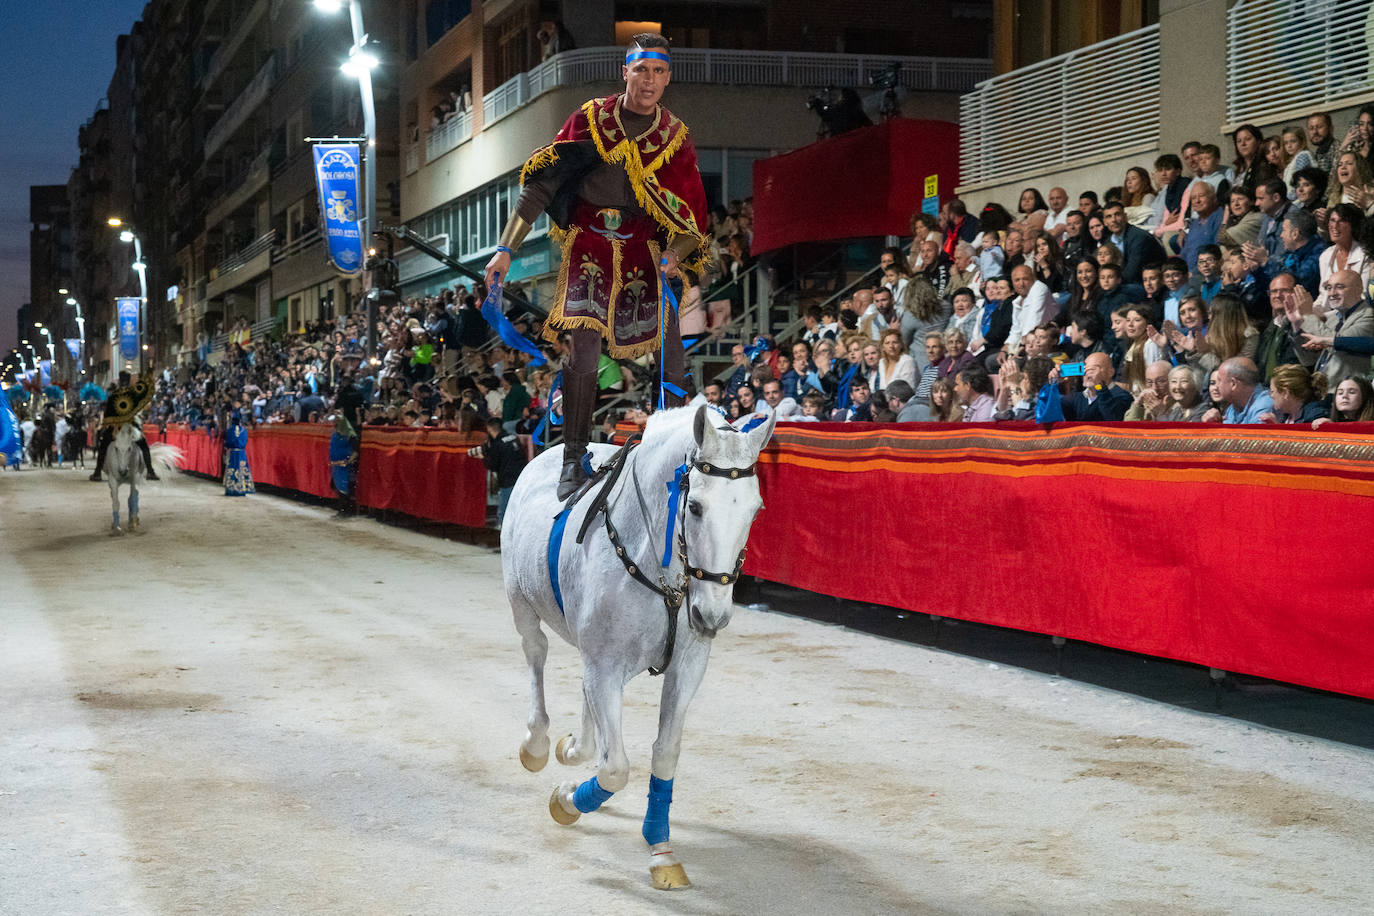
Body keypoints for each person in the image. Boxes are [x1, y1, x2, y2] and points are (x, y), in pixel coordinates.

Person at [487, 33, 709, 499]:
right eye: (641, 69)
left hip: (643, 252)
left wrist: (675, 257)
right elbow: (541, 186)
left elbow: (692, 219)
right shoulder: (589, 119)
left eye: (659, 71)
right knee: (585, 350)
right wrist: (505, 249)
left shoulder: (676, 138)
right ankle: (572, 458)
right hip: (588, 243)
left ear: (668, 78)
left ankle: (678, 453)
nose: (649, 80)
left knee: (672, 354)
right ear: (624, 70)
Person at [88, 369, 159, 482]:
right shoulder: (133, 394)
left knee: (103, 447)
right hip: (131, 427)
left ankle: (97, 473)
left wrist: (107, 425)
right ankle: (150, 471)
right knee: (144, 446)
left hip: (114, 428)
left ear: (120, 381)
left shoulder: (113, 395)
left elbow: (108, 414)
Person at [475, 416, 527, 527]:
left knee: (505, 510)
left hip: (507, 480)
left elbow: (493, 465)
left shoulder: (498, 444)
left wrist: (483, 457)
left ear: (489, 428)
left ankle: (503, 532)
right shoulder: (513, 437)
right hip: (521, 478)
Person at [1201, 357, 1276, 423]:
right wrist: (1214, 425)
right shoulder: (1233, 407)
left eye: (1219, 380)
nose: (1217, 386)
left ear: (1233, 384)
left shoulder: (1264, 405)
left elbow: (1252, 438)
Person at [222, 409, 255, 496]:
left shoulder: (229, 430)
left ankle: (232, 489)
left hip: (233, 453)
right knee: (241, 468)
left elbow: (227, 442)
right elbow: (245, 441)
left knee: (232, 469)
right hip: (241, 453)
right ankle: (242, 488)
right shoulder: (244, 430)